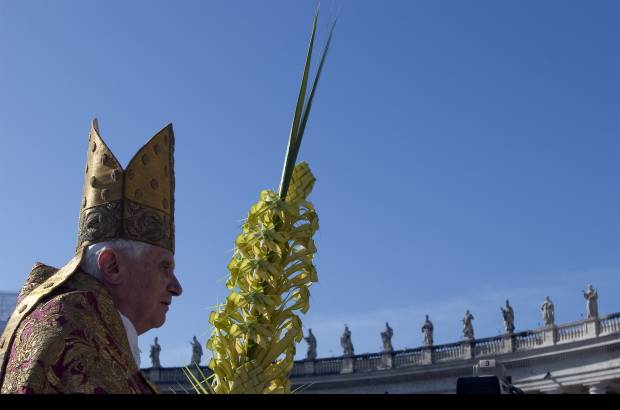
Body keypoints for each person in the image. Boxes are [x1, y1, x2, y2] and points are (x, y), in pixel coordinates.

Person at [0, 120, 182, 393]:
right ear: (112, 266)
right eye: (164, 267)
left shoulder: (94, 333)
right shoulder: (74, 338)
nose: (176, 287)